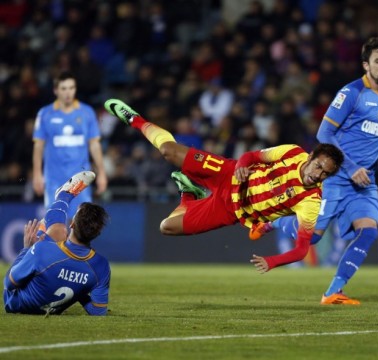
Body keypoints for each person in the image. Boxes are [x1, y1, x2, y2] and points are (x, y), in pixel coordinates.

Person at [103, 99, 344, 273]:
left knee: (167, 227)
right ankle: (134, 119)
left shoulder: (310, 202)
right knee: (168, 151)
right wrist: (241, 165)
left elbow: (302, 250)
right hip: (228, 174)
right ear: (311, 157)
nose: (318, 174)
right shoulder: (292, 153)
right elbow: (252, 156)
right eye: (318, 166)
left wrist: (272, 262)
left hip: (231, 210)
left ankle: (188, 195)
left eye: (326, 173)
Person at [251, 37, 378, 305]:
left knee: (369, 231)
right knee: (311, 238)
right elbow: (324, 132)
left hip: (364, 182)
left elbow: (375, 138)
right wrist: (351, 166)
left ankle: (333, 291)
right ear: (365, 65)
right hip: (336, 178)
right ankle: (271, 222)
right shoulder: (351, 93)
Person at [4, 171, 111, 315]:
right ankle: (63, 197)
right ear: (97, 234)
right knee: (55, 236)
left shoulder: (42, 249)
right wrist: (80, 289)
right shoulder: (101, 266)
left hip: (16, 304)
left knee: (55, 231)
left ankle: (64, 196)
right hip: (53, 309)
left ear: (72, 224)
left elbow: (9, 283)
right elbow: (98, 311)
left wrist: (27, 249)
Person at [33, 71, 108, 219]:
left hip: (80, 179)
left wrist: (102, 173)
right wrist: (37, 174)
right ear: (56, 90)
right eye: (64, 88)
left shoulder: (86, 113)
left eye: (71, 88)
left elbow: (94, 145)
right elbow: (38, 146)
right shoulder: (45, 114)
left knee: (82, 222)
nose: (68, 93)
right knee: (55, 223)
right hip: (54, 179)